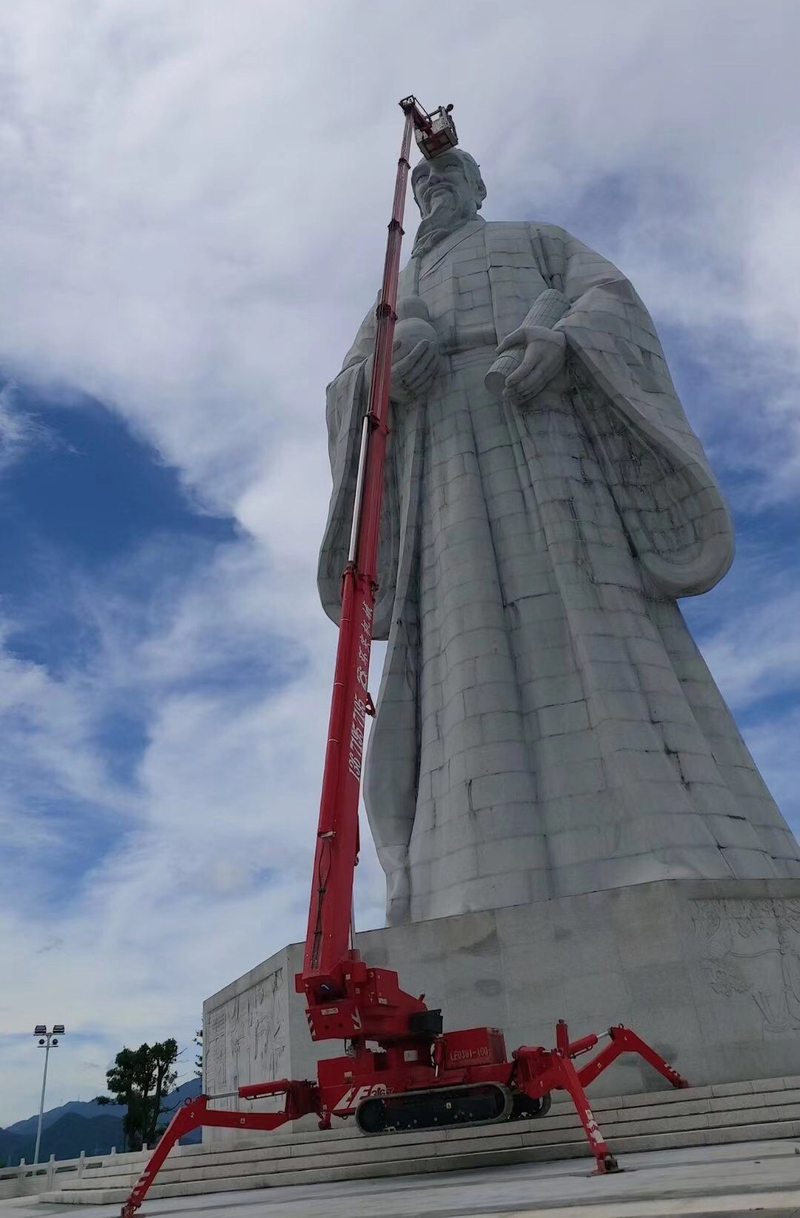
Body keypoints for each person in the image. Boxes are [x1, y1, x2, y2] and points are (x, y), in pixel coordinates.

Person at [319, 149, 800, 926]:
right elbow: (345, 393)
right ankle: (467, 873)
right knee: (458, 652)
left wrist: (562, 343)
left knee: (598, 618)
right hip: (441, 475)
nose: (436, 187)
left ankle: (670, 827)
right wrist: (385, 364)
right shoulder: (394, 294)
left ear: (478, 188)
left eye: (450, 178)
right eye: (424, 183)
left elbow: (609, 298)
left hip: (543, 437)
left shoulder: (537, 240)